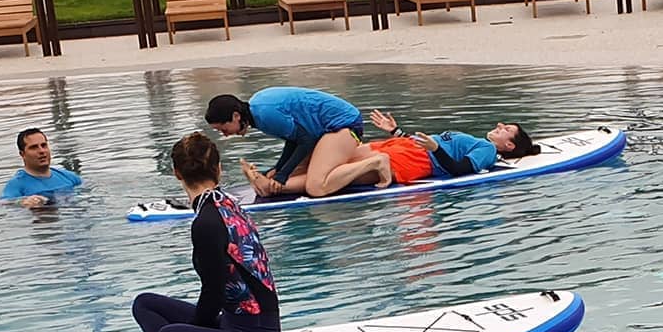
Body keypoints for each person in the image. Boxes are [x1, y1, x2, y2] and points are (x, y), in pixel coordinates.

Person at [131, 133, 281, 332]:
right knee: (145, 304)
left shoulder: (207, 222)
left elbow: (213, 294)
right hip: (232, 322)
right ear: (219, 169)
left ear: (177, 173)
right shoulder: (227, 203)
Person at [204, 87, 365, 201]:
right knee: (294, 173)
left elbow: (305, 140)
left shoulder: (265, 115)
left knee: (316, 187)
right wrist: (279, 169)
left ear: (236, 116)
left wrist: (282, 175)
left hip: (345, 125)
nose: (225, 135)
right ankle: (268, 185)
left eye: (224, 129)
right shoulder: (257, 111)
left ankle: (376, 164)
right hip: (321, 132)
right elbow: (294, 138)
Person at [353, 109, 541, 188]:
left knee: (348, 170)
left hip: (420, 159)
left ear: (509, 145)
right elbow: (430, 143)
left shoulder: (488, 150)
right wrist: (396, 131)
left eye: (506, 129)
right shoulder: (478, 141)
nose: (500, 124)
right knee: (346, 156)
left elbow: (458, 169)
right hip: (409, 146)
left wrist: (435, 149)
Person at [1, 129, 83, 207]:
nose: (41, 151)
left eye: (44, 145)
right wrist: (22, 201)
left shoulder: (69, 177)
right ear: (22, 154)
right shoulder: (17, 184)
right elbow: (4, 202)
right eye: (34, 147)